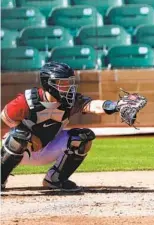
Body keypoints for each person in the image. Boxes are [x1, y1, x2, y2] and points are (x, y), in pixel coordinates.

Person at [1, 61, 146, 192]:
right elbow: (4, 120)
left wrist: (115, 106)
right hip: (21, 151)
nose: (68, 87)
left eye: (70, 83)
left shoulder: (70, 102)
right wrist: (28, 135)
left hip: (48, 148)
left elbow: (93, 106)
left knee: (83, 138)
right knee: (19, 137)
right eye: (62, 83)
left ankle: (55, 180)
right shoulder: (26, 101)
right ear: (48, 84)